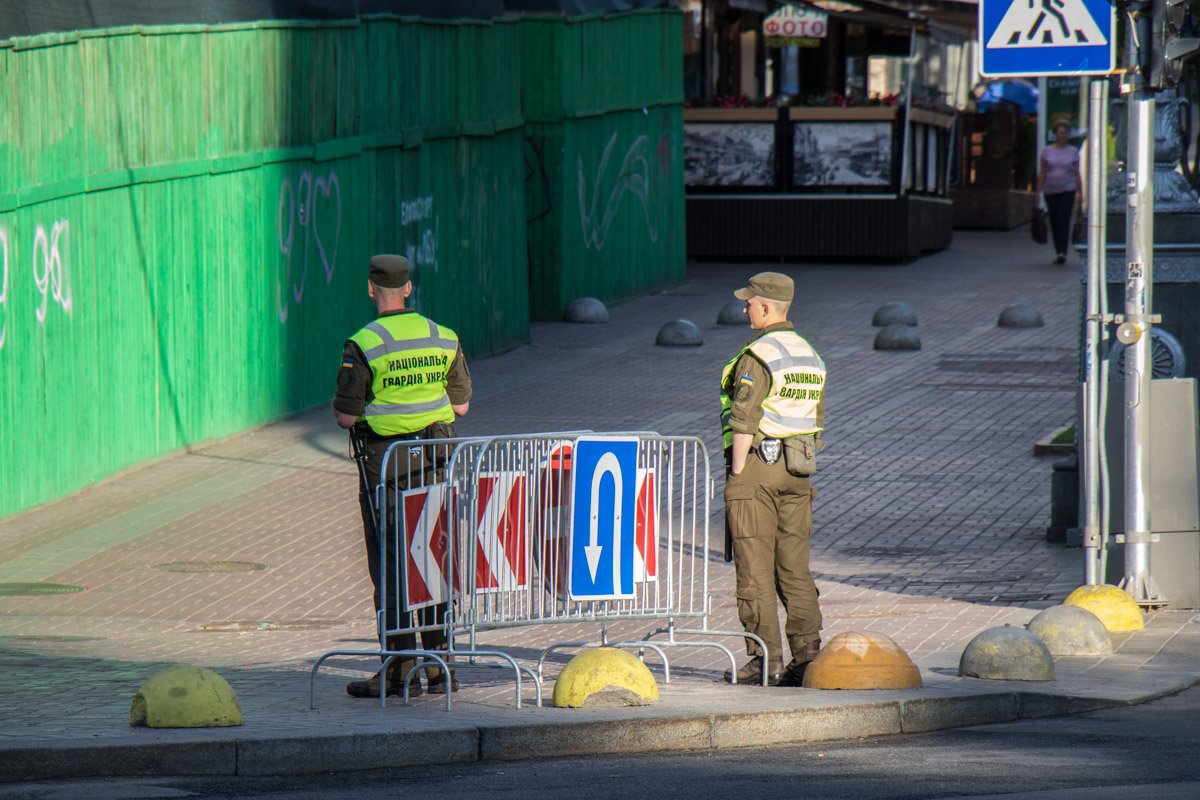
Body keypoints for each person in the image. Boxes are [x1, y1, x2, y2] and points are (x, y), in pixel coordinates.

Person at [332, 254, 472, 698]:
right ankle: (440, 668)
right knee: (432, 556)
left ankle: (397, 671)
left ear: (371, 288)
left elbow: (345, 417)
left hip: (387, 465)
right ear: (408, 288)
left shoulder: (364, 343)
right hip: (435, 459)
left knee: (392, 563)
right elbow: (461, 405)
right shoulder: (442, 337)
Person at [719, 271, 825, 686]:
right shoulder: (810, 355)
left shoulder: (759, 354)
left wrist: (737, 473)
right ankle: (808, 654)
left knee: (755, 569)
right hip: (798, 470)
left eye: (749, 302)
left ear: (766, 307)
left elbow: (744, 419)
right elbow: (816, 419)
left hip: (758, 469)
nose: (745, 308)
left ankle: (767, 660)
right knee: (794, 567)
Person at [1037, 119, 1083, 265]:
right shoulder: (1047, 151)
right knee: (1054, 220)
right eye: (1059, 133)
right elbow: (1042, 173)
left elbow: (1076, 173)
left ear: (1068, 135)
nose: (1062, 136)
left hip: (1067, 189)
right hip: (1050, 190)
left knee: (1064, 219)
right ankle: (1058, 250)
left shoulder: (1073, 151)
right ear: (1055, 134)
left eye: (1064, 133)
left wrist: (1080, 192)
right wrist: (1037, 193)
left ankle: (1062, 252)